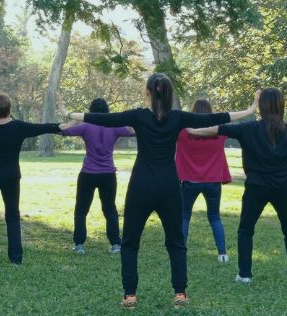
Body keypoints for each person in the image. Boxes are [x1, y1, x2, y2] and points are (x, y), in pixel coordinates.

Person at [67, 74, 258, 309]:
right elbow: (214, 117)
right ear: (169, 94)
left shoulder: (138, 115)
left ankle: (130, 295)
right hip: (169, 187)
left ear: (148, 92)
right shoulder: (178, 118)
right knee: (176, 242)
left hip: (141, 187)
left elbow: (102, 119)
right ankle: (180, 293)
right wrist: (249, 110)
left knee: (130, 243)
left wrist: (70, 114)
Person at [188, 87, 287, 285]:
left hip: (256, 187)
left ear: (261, 107)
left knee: (246, 230)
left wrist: (191, 129)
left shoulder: (248, 129)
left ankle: (245, 275)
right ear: (282, 106)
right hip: (283, 188)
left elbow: (216, 129)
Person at [0, 93, 75, 265]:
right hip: (11, 177)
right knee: (13, 216)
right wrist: (69, 122)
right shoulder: (18, 127)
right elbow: (44, 127)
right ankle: (15, 259)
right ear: (10, 110)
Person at [56, 92, 134, 255]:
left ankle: (79, 245)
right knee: (110, 209)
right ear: (107, 111)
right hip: (108, 175)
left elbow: (62, 130)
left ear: (90, 112)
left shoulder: (85, 126)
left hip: (88, 174)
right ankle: (115, 244)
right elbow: (133, 130)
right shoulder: (114, 127)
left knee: (81, 210)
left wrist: (77, 118)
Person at [175, 99, 232, 263]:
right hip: (213, 181)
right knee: (214, 217)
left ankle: (181, 251)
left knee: (184, 216)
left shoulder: (182, 131)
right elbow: (230, 122)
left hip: (189, 181)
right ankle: (222, 254)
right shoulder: (219, 131)